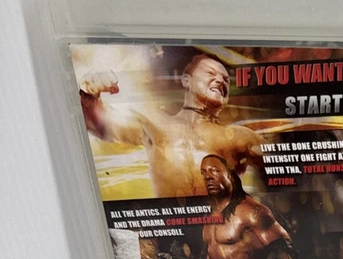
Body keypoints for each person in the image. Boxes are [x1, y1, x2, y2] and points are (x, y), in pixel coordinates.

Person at [77, 53, 261, 198]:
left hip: (222, 229)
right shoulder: (154, 123)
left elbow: (278, 169)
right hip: (172, 230)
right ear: (186, 80)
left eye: (226, 80)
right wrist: (88, 95)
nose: (221, 81)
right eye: (210, 73)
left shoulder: (242, 137)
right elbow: (100, 125)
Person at [190, 156, 303, 259]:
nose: (208, 176)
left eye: (214, 170)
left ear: (230, 173)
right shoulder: (212, 214)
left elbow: (287, 249)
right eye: (204, 172)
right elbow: (215, 247)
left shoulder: (252, 211)